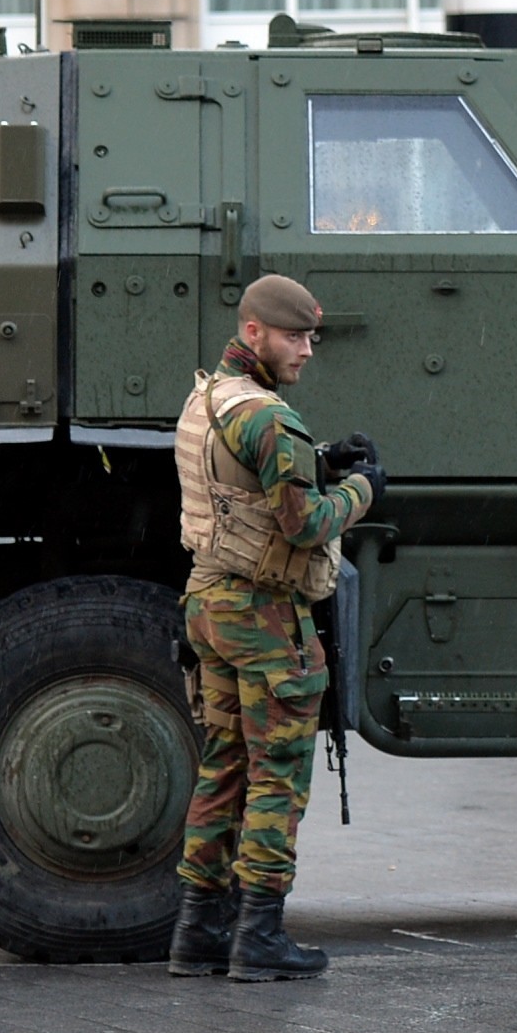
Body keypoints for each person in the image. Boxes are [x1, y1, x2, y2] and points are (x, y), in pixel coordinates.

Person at [166, 273, 379, 984]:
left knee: (224, 763)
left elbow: (241, 485)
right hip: (262, 615)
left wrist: (322, 463)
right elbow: (305, 523)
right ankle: (259, 934)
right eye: (294, 336)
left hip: (208, 601)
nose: (307, 350)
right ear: (253, 331)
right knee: (276, 773)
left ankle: (198, 930)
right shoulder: (268, 417)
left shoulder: (208, 399)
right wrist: (361, 489)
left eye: (311, 337)